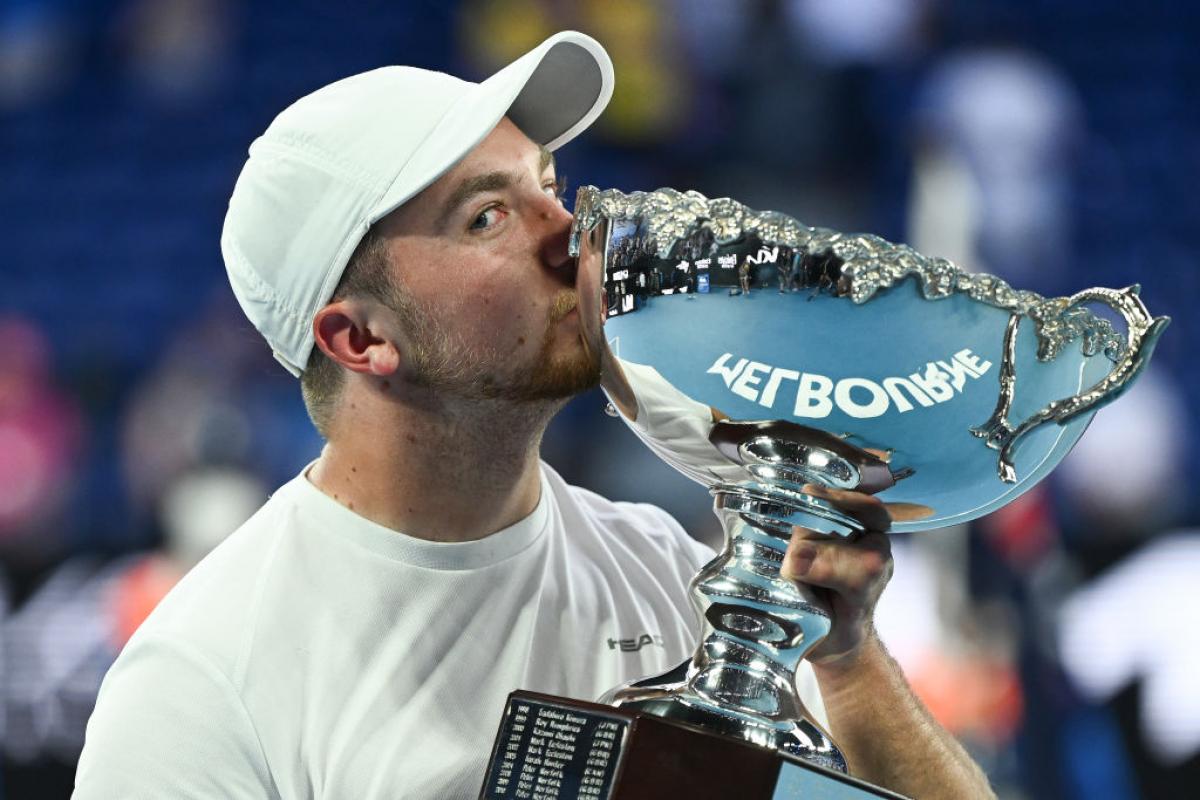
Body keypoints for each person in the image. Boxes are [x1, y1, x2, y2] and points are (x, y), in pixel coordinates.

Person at [74, 31, 994, 800]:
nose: (570, 233)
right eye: (487, 218)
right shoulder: (201, 680)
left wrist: (848, 660)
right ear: (360, 340)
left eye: (548, 184)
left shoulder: (674, 574)